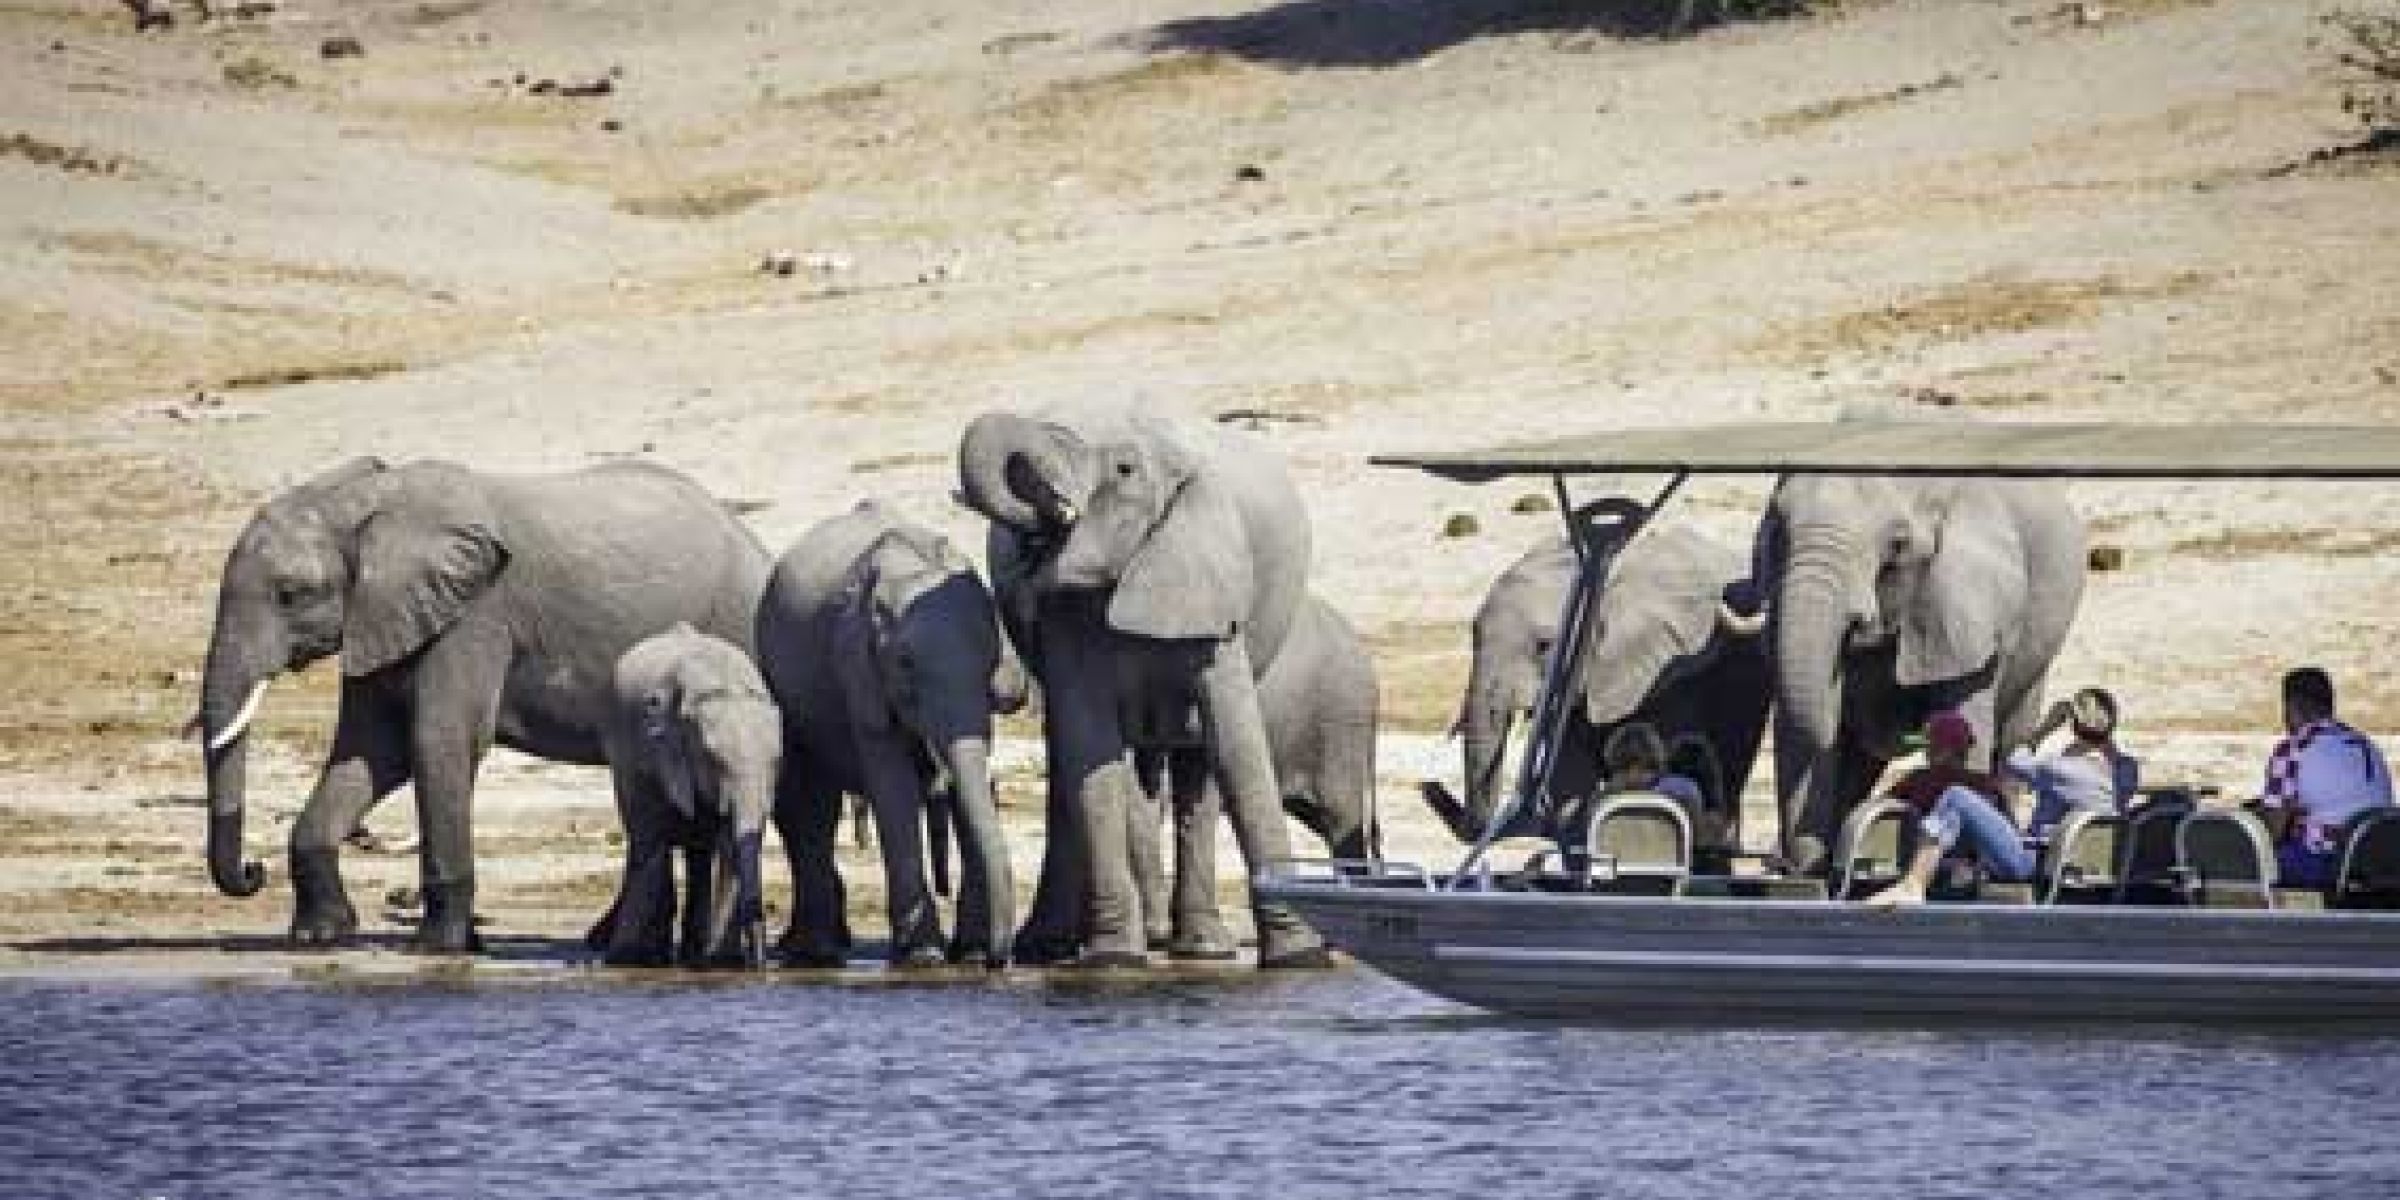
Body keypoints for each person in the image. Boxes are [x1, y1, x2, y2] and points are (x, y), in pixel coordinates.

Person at [1862, 710, 2029, 907]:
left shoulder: (1919, 779)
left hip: (1999, 863)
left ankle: (1914, 884)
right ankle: (1921, 878)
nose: (1926, 751)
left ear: (1944, 749)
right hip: (1975, 864)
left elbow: (1878, 805)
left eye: (1930, 745)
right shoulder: (1983, 782)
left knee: (1954, 797)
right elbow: (2008, 827)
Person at [2258, 667, 2395, 889]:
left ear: (2291, 707)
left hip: (2331, 864)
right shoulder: (2363, 742)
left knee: (2252, 860)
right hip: (2381, 858)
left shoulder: (2294, 748)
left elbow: (2272, 832)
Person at [2004, 687, 2140, 839]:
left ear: (2074, 726)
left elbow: (2013, 760)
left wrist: (2045, 728)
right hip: (2095, 850)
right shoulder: (2128, 768)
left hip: (2044, 850)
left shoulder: (2058, 768)